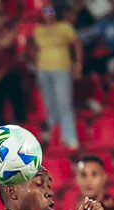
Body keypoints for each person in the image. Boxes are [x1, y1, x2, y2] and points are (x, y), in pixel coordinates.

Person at [31, 5, 82, 151]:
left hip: (61, 68)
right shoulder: (38, 30)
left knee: (64, 103)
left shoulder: (65, 27)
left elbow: (77, 44)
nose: (48, 14)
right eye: (45, 11)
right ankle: (55, 136)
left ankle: (70, 137)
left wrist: (78, 65)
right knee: (49, 104)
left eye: (51, 11)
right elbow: (33, 48)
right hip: (43, 70)